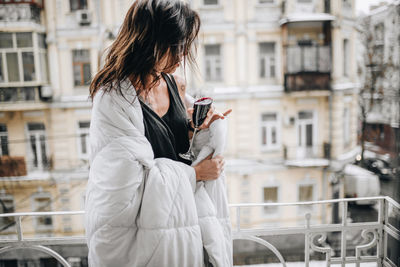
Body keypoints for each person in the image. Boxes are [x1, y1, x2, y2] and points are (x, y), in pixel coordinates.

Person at [84, 0, 232, 266]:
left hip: (182, 220)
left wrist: (196, 130)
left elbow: (172, 143)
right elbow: (125, 184)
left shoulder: (173, 83)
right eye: (174, 47)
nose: (181, 57)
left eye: (184, 47)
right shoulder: (113, 98)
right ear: (148, 42)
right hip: (140, 232)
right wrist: (196, 174)